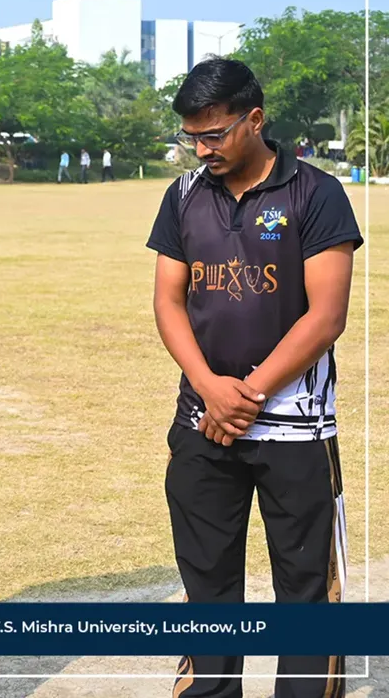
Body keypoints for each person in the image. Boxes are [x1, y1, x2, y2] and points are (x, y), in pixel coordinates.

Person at [146, 57, 362, 698]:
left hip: (296, 430)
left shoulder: (316, 193)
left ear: (256, 119)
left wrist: (249, 393)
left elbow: (326, 316)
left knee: (305, 592)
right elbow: (169, 301)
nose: (202, 149)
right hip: (203, 424)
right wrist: (211, 388)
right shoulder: (183, 195)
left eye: (214, 134)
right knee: (207, 585)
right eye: (191, 136)